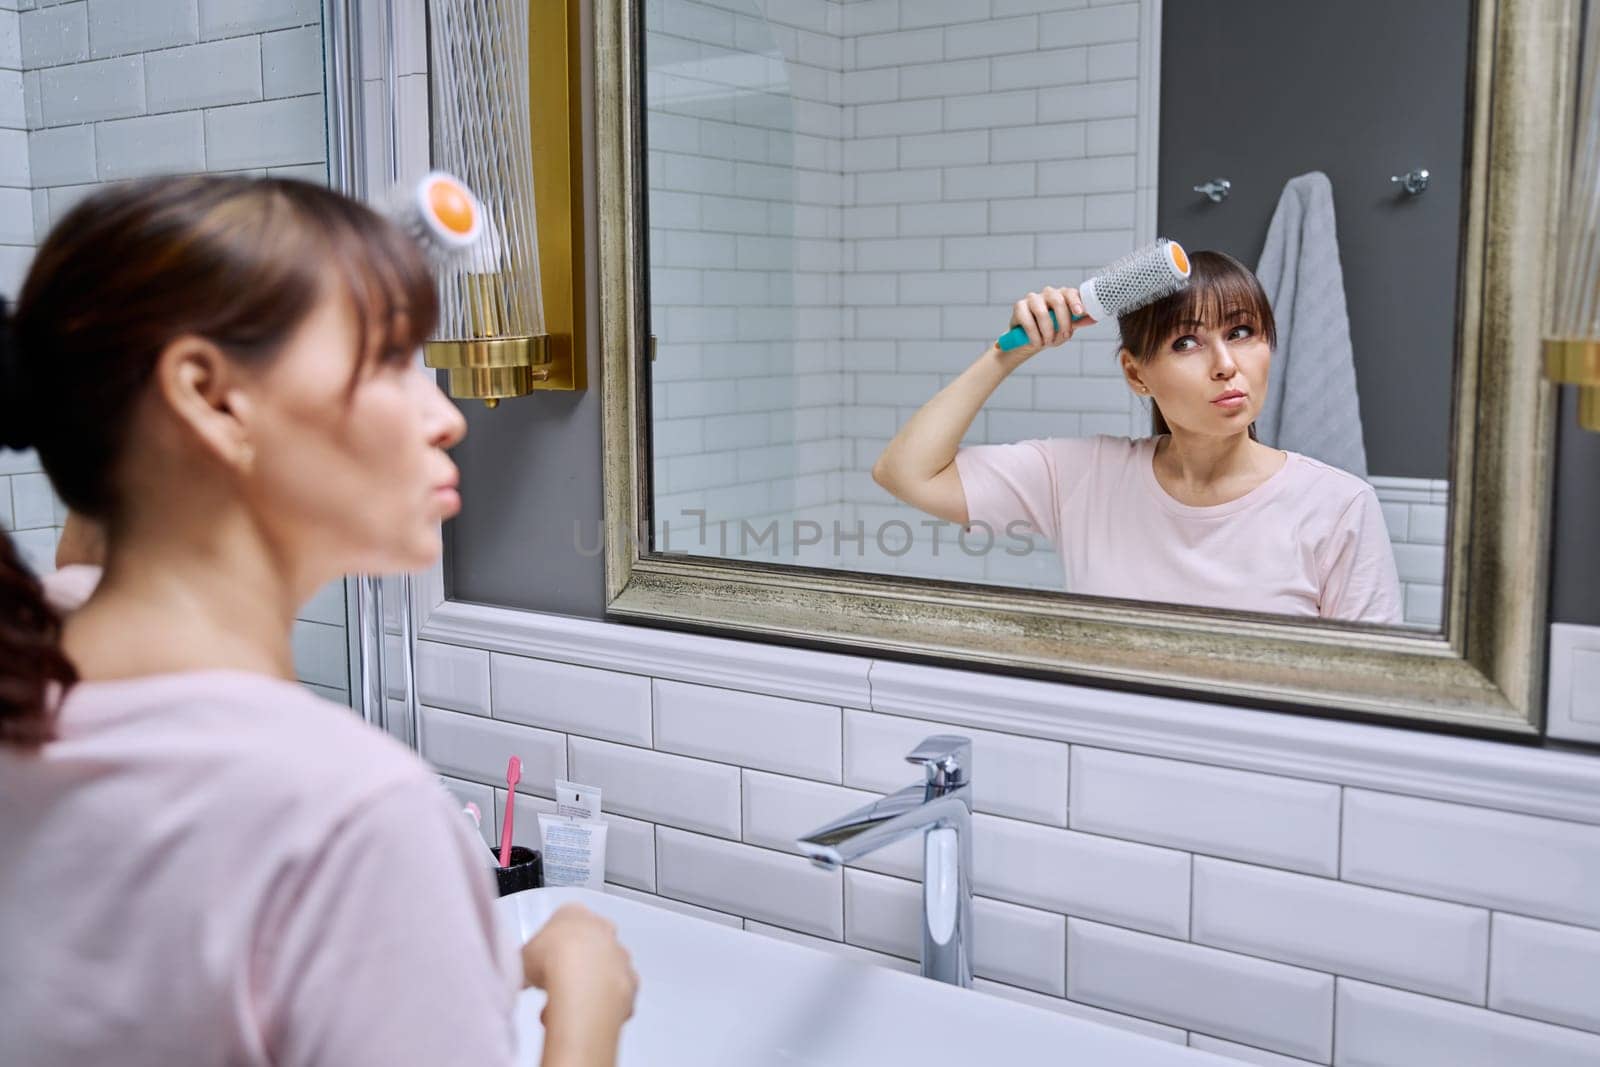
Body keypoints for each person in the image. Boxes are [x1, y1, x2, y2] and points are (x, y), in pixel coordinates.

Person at [0, 175, 636, 1066]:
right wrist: (585, 996)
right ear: (209, 396)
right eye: (387, 361)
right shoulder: (351, 816)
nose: (446, 417)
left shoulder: (37, 663)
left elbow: (97, 553)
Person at [872, 250, 1403, 624]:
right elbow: (905, 472)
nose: (1225, 365)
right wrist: (1008, 352)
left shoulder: (1339, 507)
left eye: (1242, 333)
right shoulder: (1082, 478)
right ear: (1136, 374)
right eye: (1187, 342)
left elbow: (1375, 700)